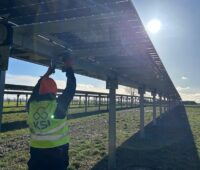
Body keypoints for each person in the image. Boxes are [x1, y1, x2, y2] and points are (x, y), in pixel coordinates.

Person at [27, 57, 76, 170]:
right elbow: (71, 88)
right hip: (57, 153)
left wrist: (47, 74)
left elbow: (35, 91)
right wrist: (68, 68)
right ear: (54, 91)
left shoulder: (31, 105)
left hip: (36, 153)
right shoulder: (56, 106)